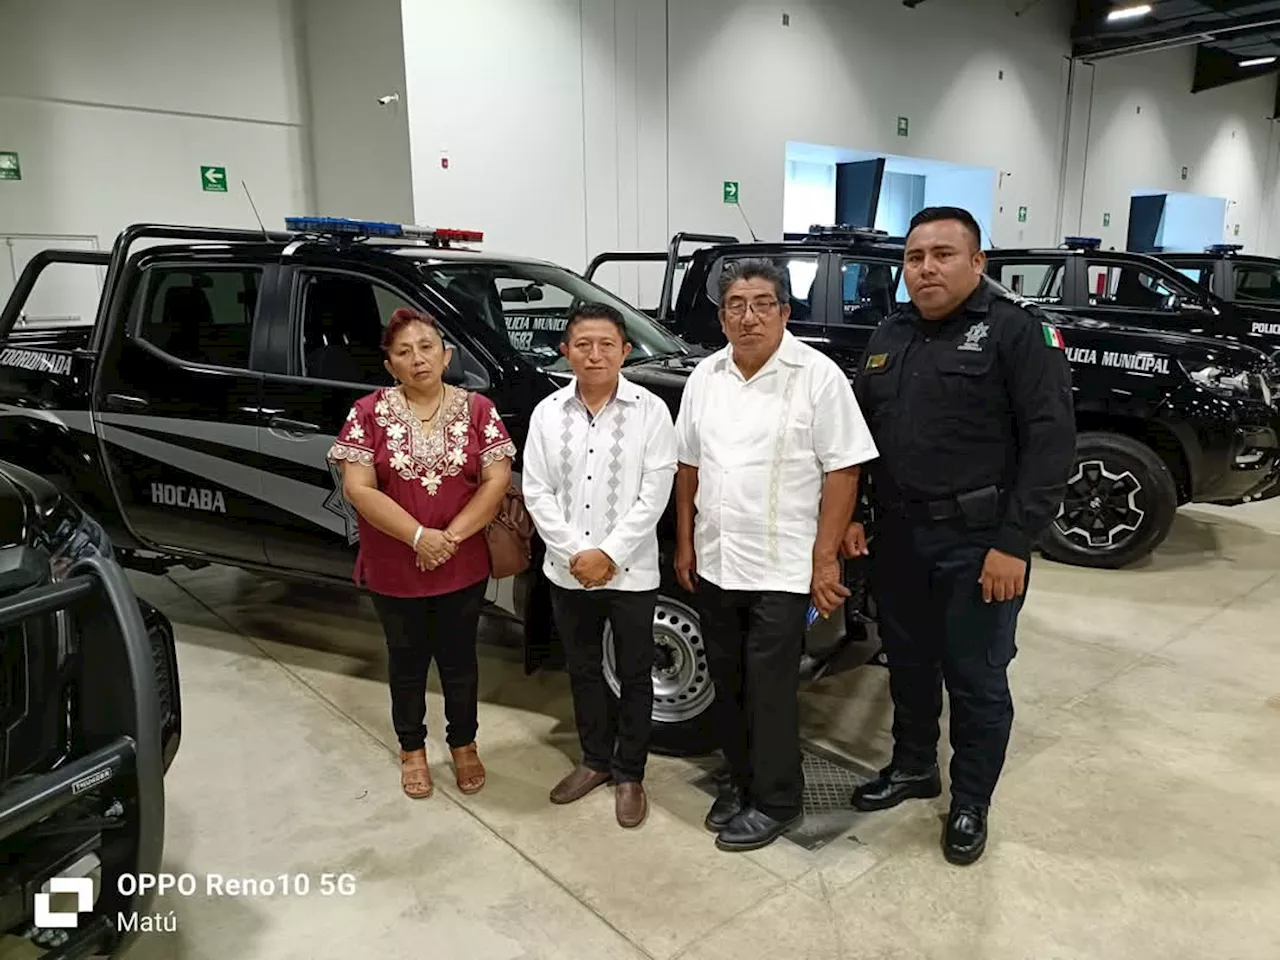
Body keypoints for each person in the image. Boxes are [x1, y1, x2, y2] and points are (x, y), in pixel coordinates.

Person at [844, 206, 1076, 865]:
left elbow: (1051, 446)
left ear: (978, 262)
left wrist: (1015, 543)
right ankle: (915, 766)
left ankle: (971, 801)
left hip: (979, 544)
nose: (926, 268)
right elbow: (863, 437)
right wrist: (857, 511)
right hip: (897, 539)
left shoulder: (1016, 333)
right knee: (908, 666)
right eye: (915, 258)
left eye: (943, 254)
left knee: (976, 679)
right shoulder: (889, 333)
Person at [674, 259, 878, 852]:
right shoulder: (705, 377)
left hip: (783, 567)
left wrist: (824, 561)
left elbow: (844, 471)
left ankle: (779, 800)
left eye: (763, 303)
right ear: (721, 316)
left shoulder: (817, 376)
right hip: (716, 559)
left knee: (769, 687)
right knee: (729, 681)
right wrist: (685, 542)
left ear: (785, 312)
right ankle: (741, 783)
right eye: (736, 305)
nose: (749, 316)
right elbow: (688, 466)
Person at [328, 307, 516, 800]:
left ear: (446, 354)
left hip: (463, 561)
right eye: (404, 352)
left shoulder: (477, 410)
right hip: (395, 564)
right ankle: (412, 748)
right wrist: (417, 537)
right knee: (406, 659)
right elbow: (358, 488)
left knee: (460, 659)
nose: (418, 359)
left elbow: (496, 479)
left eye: (427, 347)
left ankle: (463, 743)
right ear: (389, 364)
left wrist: (448, 538)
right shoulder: (367, 413)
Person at [522, 303, 677, 829]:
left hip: (630, 571)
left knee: (635, 674)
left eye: (606, 344)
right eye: (583, 344)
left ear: (625, 351)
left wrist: (608, 554)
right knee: (583, 669)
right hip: (567, 572)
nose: (594, 354)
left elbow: (657, 490)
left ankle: (629, 771)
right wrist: (576, 554)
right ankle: (594, 761)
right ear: (566, 352)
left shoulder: (651, 411)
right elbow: (536, 490)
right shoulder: (548, 413)